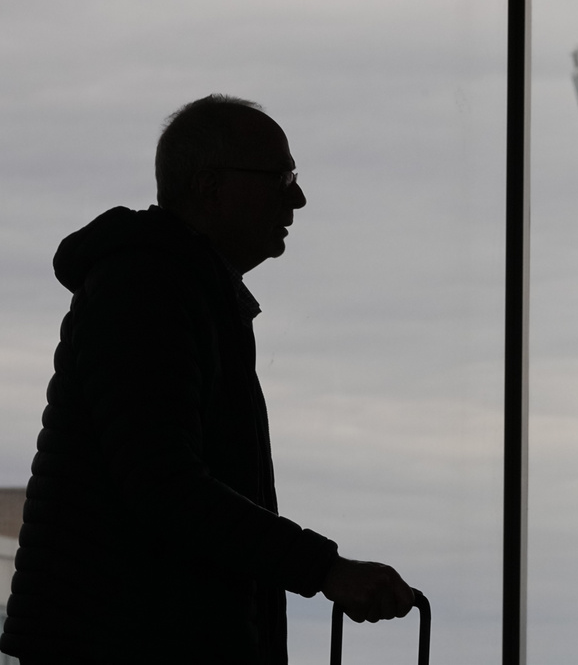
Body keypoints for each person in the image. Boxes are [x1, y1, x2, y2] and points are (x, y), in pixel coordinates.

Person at [0, 95, 415, 665]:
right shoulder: (150, 291)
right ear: (209, 185)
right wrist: (325, 570)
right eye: (280, 176)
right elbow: (164, 485)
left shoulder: (168, 290)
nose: (296, 196)